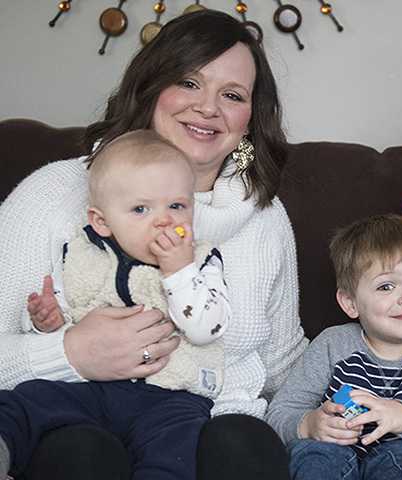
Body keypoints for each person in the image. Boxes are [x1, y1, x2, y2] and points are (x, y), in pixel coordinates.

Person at [0, 9, 306, 480]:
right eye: (188, 82)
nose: (208, 107)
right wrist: (68, 354)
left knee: (243, 441)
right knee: (83, 452)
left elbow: (283, 367)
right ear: (150, 87)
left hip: (201, 420)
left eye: (231, 95)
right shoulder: (52, 195)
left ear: (249, 121)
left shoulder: (264, 216)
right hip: (76, 411)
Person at [0, 130, 232, 480]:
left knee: (179, 448)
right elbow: (71, 315)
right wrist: (45, 319)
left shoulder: (201, 263)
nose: (164, 220)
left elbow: (205, 329)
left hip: (168, 397)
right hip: (91, 388)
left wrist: (179, 271)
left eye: (177, 206)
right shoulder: (87, 255)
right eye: (141, 209)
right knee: (26, 400)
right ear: (102, 222)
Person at [266, 214, 402, 480]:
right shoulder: (332, 344)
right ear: (350, 303)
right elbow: (280, 411)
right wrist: (308, 425)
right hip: (333, 448)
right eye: (386, 286)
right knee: (315, 456)